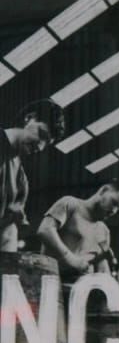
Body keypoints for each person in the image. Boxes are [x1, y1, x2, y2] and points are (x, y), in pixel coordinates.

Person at [0, 101, 66, 251]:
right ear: (29, 118)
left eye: (46, 143)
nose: (40, 146)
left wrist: (7, 267)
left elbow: (9, 230)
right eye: (41, 134)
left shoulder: (21, 181)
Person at [37, 180, 119, 279]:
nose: (114, 211)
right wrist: (71, 259)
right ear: (103, 190)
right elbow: (45, 230)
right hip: (49, 280)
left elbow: (101, 265)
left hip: (78, 289)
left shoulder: (104, 231)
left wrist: (110, 285)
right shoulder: (70, 204)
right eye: (114, 202)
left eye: (118, 209)